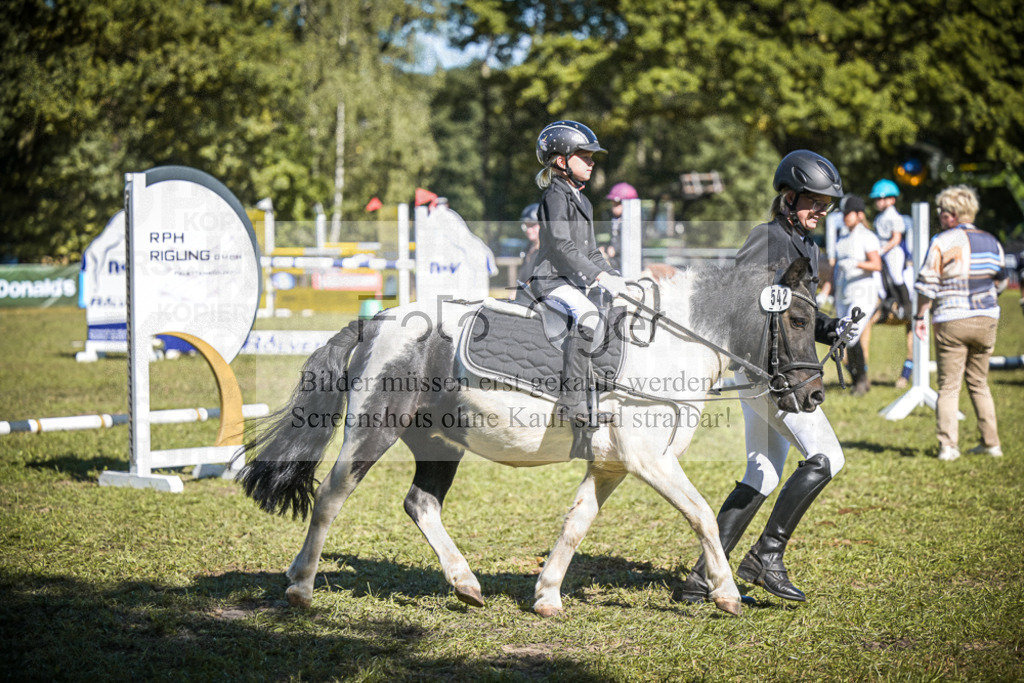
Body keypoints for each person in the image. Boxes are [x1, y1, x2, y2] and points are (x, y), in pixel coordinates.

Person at [677, 150, 855, 604]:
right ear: (789, 197)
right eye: (815, 201)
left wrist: (831, 326)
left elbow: (797, 314)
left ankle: (702, 577)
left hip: (772, 370)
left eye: (827, 204)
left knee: (763, 472)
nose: (822, 210)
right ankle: (766, 556)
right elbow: (739, 300)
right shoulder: (767, 238)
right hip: (769, 372)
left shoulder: (807, 246)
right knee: (827, 457)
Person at [530, 120, 627, 428]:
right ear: (562, 161)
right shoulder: (555, 195)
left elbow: (592, 251)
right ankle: (571, 403)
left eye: (591, 157)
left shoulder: (582, 199)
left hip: (572, 283)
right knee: (588, 314)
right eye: (584, 156)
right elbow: (562, 244)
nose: (591, 162)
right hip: (550, 281)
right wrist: (597, 277)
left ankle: (596, 394)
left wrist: (614, 276)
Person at [913, 185, 1007, 461]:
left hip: (952, 318)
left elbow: (927, 284)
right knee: (979, 383)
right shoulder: (992, 241)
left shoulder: (942, 241)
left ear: (952, 214)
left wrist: (920, 316)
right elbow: (1001, 282)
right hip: (987, 318)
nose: (940, 215)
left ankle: (948, 446)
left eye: (942, 211)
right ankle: (992, 443)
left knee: (948, 386)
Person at [833, 194, 882, 395]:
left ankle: (860, 379)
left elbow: (876, 264)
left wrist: (856, 263)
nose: (845, 217)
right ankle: (857, 378)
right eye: (844, 213)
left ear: (859, 214)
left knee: (851, 336)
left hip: (863, 292)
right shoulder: (842, 239)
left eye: (849, 213)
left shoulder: (867, 237)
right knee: (841, 338)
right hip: (844, 291)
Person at [870, 178, 915, 387]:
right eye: (877, 199)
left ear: (891, 199)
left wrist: (882, 250)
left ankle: (905, 306)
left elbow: (896, 238)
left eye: (880, 199)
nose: (877, 202)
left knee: (896, 275)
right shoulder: (880, 217)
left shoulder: (894, 217)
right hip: (882, 250)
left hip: (893, 251)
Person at [603, 182, 639, 271]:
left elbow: (631, 242)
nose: (614, 207)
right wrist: (606, 248)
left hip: (628, 264)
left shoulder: (632, 222)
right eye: (613, 204)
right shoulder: (615, 220)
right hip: (616, 262)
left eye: (617, 204)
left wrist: (615, 249)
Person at [518, 203, 541, 283]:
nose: (528, 230)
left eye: (532, 225)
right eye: (526, 226)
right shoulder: (527, 248)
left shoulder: (550, 251)